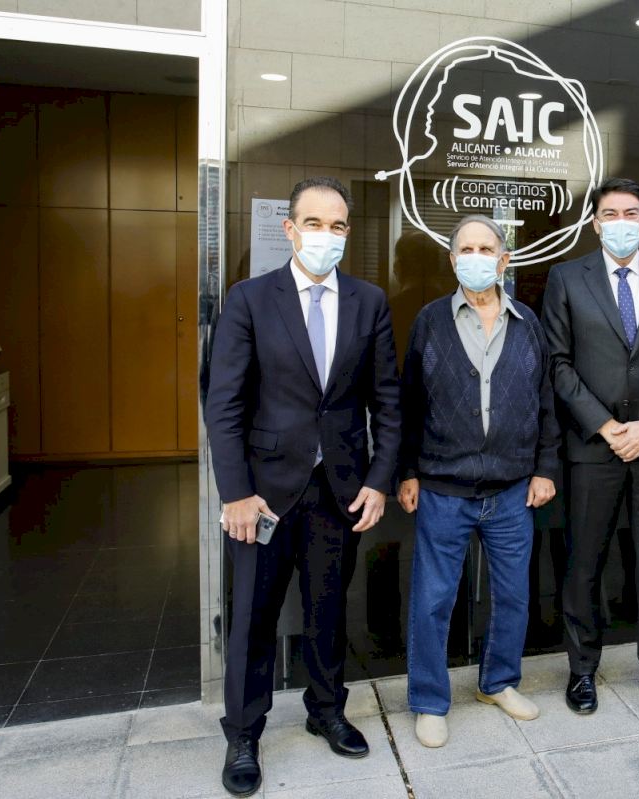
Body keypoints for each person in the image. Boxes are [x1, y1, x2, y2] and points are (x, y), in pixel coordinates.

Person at [205, 176, 400, 797]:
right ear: (290, 230)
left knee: (327, 610)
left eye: (337, 225)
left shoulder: (369, 302)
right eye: (313, 223)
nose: (325, 235)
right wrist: (235, 493)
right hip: (262, 493)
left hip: (339, 488)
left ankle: (326, 710)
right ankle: (243, 731)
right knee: (252, 617)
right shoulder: (249, 299)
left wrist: (379, 481)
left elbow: (387, 401)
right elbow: (224, 404)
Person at [541, 177, 639, 716]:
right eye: (610, 214)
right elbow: (557, 363)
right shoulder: (567, 278)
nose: (621, 223)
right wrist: (606, 426)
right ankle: (582, 670)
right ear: (595, 223)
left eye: (630, 213)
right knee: (584, 563)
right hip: (593, 447)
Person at [398, 215, 561, 748]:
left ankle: (499, 682)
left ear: (504, 259)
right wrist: (407, 471)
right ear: (452, 260)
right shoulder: (430, 321)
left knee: (513, 594)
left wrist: (544, 468)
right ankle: (429, 701)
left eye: (486, 249)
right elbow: (408, 403)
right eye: (465, 249)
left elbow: (545, 401)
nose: (476, 258)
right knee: (432, 601)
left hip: (512, 490)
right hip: (443, 489)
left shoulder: (527, 322)